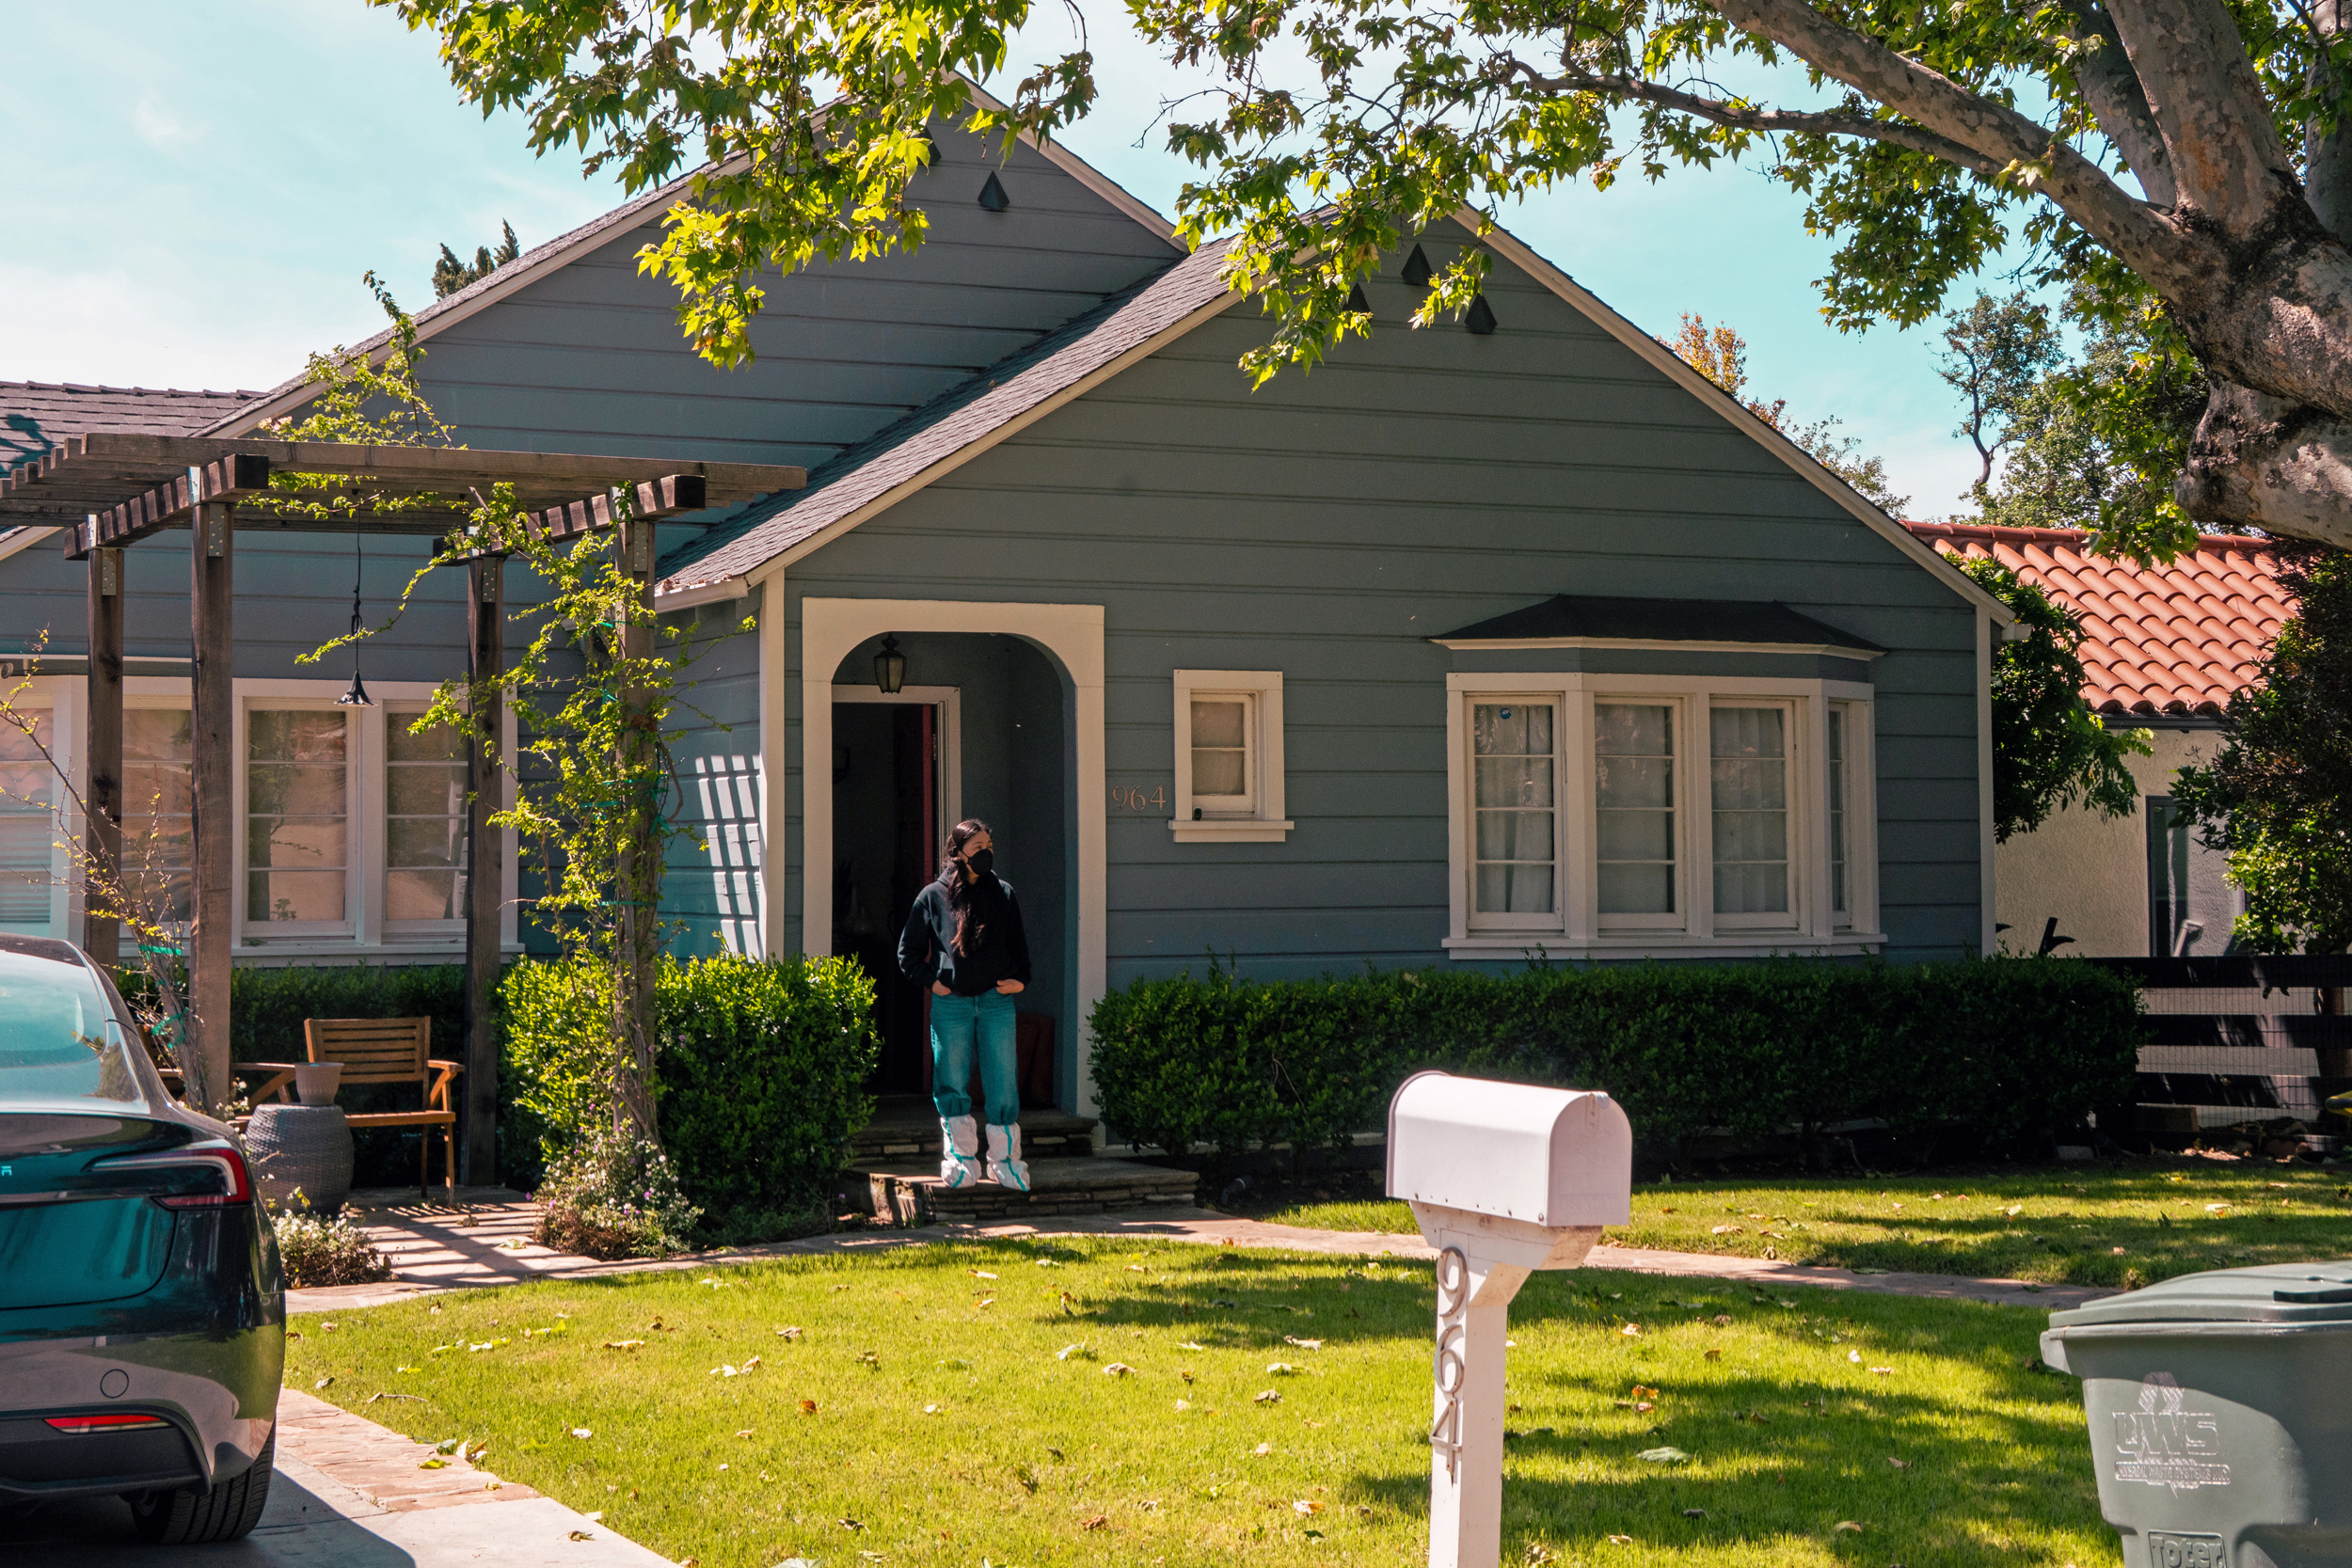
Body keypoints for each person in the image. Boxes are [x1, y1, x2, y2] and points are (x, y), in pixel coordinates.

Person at [897, 818, 1032, 1191]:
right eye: (977, 847)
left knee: (1003, 1083)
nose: (986, 852)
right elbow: (907, 954)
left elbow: (1020, 949)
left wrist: (1021, 980)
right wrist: (932, 982)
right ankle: (959, 1160)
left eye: (989, 844)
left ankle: (1006, 1162)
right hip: (952, 1005)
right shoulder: (932, 896)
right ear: (957, 854)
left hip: (995, 1002)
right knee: (952, 1080)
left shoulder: (1003, 893)